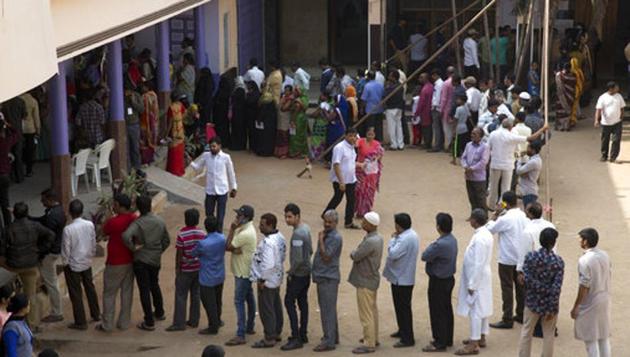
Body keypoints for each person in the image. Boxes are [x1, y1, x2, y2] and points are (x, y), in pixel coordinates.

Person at [122, 195, 170, 331]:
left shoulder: (138, 223)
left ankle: (149, 321)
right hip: (155, 259)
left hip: (141, 259)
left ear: (138, 207)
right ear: (149, 206)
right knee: (154, 284)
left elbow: (125, 236)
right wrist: (159, 251)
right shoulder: (160, 221)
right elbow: (167, 240)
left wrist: (133, 248)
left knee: (144, 289)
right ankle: (159, 312)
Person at [4, 202, 54, 330]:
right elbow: (50, 235)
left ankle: (12, 320)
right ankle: (32, 325)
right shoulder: (35, 226)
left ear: (14, 214)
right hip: (31, 264)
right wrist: (41, 250)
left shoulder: (9, 229)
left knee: (13, 293)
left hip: (13, 266)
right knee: (31, 295)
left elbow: (2, 247)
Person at [518, 228, 564, 357]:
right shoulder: (558, 262)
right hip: (549, 303)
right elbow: (556, 288)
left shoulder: (530, 257)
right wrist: (552, 308)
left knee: (526, 331)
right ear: (553, 243)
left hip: (532, 301)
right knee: (548, 334)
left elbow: (525, 279)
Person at [487, 191, 529, 329]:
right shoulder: (523, 216)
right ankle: (521, 314)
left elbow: (489, 230)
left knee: (507, 288)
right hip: (521, 258)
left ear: (505, 203)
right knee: (520, 287)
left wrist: (495, 214)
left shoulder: (505, 218)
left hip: (506, 258)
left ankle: (507, 318)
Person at [454, 209, 493, 356]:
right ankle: (481, 336)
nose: (470, 221)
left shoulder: (480, 238)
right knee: (481, 308)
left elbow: (478, 262)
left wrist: (472, 284)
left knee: (475, 310)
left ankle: (474, 343)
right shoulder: (483, 234)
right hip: (480, 277)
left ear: (475, 220)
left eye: (471, 219)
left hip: (478, 278)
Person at [487, 119, 548, 210]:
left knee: (493, 187)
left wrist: (487, 162)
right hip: (508, 166)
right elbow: (530, 138)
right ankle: (502, 207)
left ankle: (491, 206)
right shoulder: (512, 136)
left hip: (495, 164)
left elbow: (488, 149)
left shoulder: (493, 134)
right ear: (510, 127)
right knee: (506, 189)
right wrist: (543, 129)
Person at [97, 194, 136, 332]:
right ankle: (124, 323)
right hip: (129, 260)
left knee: (109, 294)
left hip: (114, 261)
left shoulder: (113, 222)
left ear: (119, 205)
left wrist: (108, 216)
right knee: (127, 292)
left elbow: (102, 231)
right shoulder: (133, 219)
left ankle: (107, 324)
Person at [571, 228, 613, 357]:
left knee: (591, 339)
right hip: (604, 298)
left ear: (585, 241)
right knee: (603, 337)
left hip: (590, 302)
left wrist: (576, 306)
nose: (579, 241)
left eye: (580, 239)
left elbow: (584, 285)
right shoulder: (605, 255)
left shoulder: (585, 260)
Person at [421, 213, 458, 352]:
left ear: (438, 227)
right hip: (448, 278)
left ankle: (439, 341)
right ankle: (447, 338)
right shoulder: (452, 239)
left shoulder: (440, 243)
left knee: (437, 311)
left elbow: (425, 256)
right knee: (446, 309)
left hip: (438, 281)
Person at [61, 199, 100, 330]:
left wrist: (65, 263)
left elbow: (66, 249)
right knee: (90, 288)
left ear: (70, 213)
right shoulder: (89, 224)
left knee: (76, 293)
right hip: (86, 261)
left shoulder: (68, 229)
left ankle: (80, 321)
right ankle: (96, 314)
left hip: (73, 264)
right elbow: (93, 241)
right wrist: (91, 255)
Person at [349, 212, 384, 354]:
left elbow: (356, 256)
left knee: (366, 314)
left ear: (371, 224)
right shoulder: (378, 237)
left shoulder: (370, 241)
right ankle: (372, 337)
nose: (362, 223)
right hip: (372, 278)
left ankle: (369, 343)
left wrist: (352, 252)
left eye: (364, 222)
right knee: (372, 310)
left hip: (365, 279)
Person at [250, 213, 286, 348]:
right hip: (276, 277)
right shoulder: (279, 237)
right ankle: (276, 332)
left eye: (262, 225)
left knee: (266, 309)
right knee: (275, 306)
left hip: (268, 280)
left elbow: (268, 264)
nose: (260, 227)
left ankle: (269, 337)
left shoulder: (268, 243)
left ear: (270, 225)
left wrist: (262, 279)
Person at [383, 213, 419, 348]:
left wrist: (393, 239)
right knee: (401, 307)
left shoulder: (403, 239)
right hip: (404, 277)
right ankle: (402, 330)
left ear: (398, 225)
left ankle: (407, 338)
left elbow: (392, 254)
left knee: (403, 308)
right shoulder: (413, 235)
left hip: (401, 279)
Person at [166, 209, 205, 331]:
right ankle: (194, 320)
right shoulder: (202, 233)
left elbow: (179, 253)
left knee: (181, 295)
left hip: (185, 269)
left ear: (186, 220)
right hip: (198, 268)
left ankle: (179, 323)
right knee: (196, 294)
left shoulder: (182, 234)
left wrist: (178, 268)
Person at [224, 205, 257, 346]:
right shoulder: (245, 229)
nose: (237, 218)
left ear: (246, 218)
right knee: (249, 298)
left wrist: (231, 229)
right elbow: (233, 248)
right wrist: (234, 248)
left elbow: (227, 246)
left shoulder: (244, 233)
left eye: (239, 216)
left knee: (239, 301)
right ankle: (249, 326)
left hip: (242, 271)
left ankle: (241, 333)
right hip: (244, 270)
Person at [281, 204, 312, 351]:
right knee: (302, 302)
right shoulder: (305, 228)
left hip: (298, 274)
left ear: (297, 216)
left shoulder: (298, 234)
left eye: (290, 217)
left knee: (289, 302)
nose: (287, 220)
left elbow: (298, 259)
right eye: (286, 216)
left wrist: (291, 272)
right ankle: (303, 333)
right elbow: (310, 250)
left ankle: (296, 336)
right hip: (306, 272)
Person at [190, 137, 237, 233]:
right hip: (210, 190)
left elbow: (231, 173)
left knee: (220, 217)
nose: (212, 148)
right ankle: (211, 233)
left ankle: (219, 234)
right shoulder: (206, 156)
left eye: (214, 146)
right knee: (209, 214)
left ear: (219, 146)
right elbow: (198, 167)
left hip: (222, 190)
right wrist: (190, 162)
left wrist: (234, 188)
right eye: (211, 146)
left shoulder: (226, 157)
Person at [312, 210, 343, 352]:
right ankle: (333, 336)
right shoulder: (328, 235)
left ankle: (328, 341)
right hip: (324, 276)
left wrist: (320, 240)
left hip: (328, 278)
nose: (326, 224)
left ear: (336, 223)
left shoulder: (334, 237)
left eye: (330, 222)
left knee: (326, 310)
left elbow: (326, 257)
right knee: (329, 309)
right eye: (325, 221)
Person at [33, 189, 65, 324]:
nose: (41, 202)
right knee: (50, 280)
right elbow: (42, 220)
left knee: (51, 282)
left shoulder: (52, 216)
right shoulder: (57, 211)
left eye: (44, 200)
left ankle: (57, 312)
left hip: (50, 252)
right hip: (54, 250)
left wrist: (41, 252)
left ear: (50, 200)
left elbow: (48, 237)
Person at [323, 128, 361, 229]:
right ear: (345, 136)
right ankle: (326, 213)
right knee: (337, 198)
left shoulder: (353, 147)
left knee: (351, 200)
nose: (353, 138)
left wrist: (360, 165)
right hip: (340, 180)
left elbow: (350, 162)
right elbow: (336, 164)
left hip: (351, 179)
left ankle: (348, 222)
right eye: (350, 136)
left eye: (354, 136)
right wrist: (341, 181)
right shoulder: (339, 148)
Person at [354, 127, 384, 218]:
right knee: (359, 190)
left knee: (369, 191)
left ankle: (365, 210)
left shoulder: (377, 144)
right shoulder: (361, 141)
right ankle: (357, 208)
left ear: (374, 135)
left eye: (372, 135)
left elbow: (380, 155)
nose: (370, 136)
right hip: (360, 170)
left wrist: (376, 158)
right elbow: (354, 145)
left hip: (372, 172)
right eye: (368, 134)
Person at [595, 81, 625, 163]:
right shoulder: (602, 97)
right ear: (611, 89)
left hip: (617, 122)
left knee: (616, 140)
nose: (618, 88)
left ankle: (613, 157)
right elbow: (598, 110)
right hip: (606, 123)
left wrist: (622, 115)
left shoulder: (619, 96)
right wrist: (596, 120)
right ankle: (604, 156)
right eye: (616, 87)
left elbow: (622, 107)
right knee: (605, 140)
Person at [461, 128, 490, 211]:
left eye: (474, 134)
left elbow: (484, 162)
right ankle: (474, 215)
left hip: (479, 177)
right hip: (469, 176)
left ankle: (484, 216)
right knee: (471, 197)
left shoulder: (485, 147)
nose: (472, 135)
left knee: (480, 198)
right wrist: (465, 166)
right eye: (472, 133)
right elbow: (463, 157)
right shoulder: (468, 145)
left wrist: (472, 169)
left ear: (480, 137)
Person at [0, 116, 18, 225]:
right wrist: (8, 124)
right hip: (4, 176)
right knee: (5, 203)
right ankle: (8, 226)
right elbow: (16, 134)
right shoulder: (5, 142)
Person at [124, 84, 145, 172]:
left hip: (134, 124)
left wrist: (133, 101)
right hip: (125, 125)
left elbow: (141, 109)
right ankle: (128, 169)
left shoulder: (136, 96)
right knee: (127, 149)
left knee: (135, 148)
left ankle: (137, 168)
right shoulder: (121, 97)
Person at [214, 68, 237, 148]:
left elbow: (216, 100)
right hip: (225, 113)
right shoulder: (228, 91)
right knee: (225, 128)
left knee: (221, 128)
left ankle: (221, 142)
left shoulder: (220, 92)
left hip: (220, 114)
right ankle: (225, 142)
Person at [19, 91, 40, 177]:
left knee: (20, 149)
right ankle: (29, 170)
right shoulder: (33, 101)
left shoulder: (18, 99)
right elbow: (36, 117)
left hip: (20, 128)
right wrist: (38, 129)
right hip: (30, 129)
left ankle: (19, 170)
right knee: (30, 150)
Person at [516, 142, 543, 207]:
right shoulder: (534, 159)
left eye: (528, 148)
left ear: (533, 150)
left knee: (529, 214)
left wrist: (519, 160)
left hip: (529, 192)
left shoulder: (534, 162)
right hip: (528, 191)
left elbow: (519, 171)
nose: (526, 150)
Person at [166, 94, 187, 176]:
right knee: (180, 150)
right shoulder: (180, 106)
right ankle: (180, 170)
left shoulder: (171, 108)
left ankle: (173, 170)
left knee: (173, 151)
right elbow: (184, 114)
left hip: (173, 131)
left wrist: (166, 133)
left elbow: (170, 122)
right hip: (180, 128)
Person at [361, 71, 385, 141]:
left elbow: (364, 99)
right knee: (379, 126)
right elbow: (383, 96)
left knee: (370, 126)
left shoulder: (367, 86)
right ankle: (379, 140)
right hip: (379, 108)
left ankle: (370, 141)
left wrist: (362, 108)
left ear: (368, 77)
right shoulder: (380, 85)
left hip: (370, 109)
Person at [384, 71, 405, 151]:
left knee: (392, 127)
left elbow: (386, 95)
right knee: (399, 126)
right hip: (399, 108)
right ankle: (400, 144)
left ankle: (394, 144)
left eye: (390, 76)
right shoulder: (401, 86)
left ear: (393, 77)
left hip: (391, 108)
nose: (389, 77)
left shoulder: (390, 87)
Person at [139, 81, 159, 163]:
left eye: (144, 86)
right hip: (153, 119)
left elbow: (142, 109)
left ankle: (146, 159)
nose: (142, 88)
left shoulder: (145, 96)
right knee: (152, 137)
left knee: (145, 139)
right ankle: (151, 157)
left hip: (146, 120)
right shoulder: (154, 95)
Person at [554, 62, 577, 131]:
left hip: (561, 96)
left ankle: (560, 126)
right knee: (567, 111)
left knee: (560, 111)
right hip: (570, 96)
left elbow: (558, 85)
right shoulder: (573, 75)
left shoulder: (559, 75)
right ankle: (566, 126)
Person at [288, 87, 309, 158]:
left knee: (297, 136)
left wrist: (292, 120)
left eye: (297, 91)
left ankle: (297, 153)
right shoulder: (298, 98)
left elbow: (299, 108)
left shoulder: (301, 99)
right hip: (299, 118)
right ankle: (297, 152)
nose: (295, 92)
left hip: (298, 119)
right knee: (295, 135)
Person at [415, 73, 434, 149]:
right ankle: (428, 143)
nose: (420, 79)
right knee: (429, 128)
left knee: (426, 128)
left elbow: (421, 102)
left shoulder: (425, 89)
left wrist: (417, 112)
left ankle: (427, 144)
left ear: (426, 78)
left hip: (425, 111)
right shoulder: (431, 87)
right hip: (430, 109)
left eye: (421, 77)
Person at [275, 85, 294, 159]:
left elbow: (284, 108)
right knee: (279, 135)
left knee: (284, 136)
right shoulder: (284, 97)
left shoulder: (290, 99)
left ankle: (284, 153)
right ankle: (278, 152)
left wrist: (282, 102)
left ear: (290, 91)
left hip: (286, 119)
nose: (286, 92)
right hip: (280, 119)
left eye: (287, 90)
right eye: (285, 90)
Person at [230, 77, 248, 151]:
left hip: (238, 113)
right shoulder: (243, 90)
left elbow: (235, 101)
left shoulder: (239, 90)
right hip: (241, 113)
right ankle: (241, 144)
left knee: (237, 129)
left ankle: (237, 145)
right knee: (241, 129)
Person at [430, 69, 445, 152]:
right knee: (439, 127)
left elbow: (437, 96)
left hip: (436, 107)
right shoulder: (440, 84)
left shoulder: (438, 84)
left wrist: (434, 106)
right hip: (438, 107)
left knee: (437, 128)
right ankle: (440, 144)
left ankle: (437, 145)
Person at [453, 94, 471, 160]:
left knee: (456, 143)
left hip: (459, 127)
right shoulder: (466, 108)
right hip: (465, 127)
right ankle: (464, 156)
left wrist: (454, 129)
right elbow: (469, 117)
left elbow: (456, 119)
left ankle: (454, 157)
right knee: (464, 143)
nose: (457, 100)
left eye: (459, 99)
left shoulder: (458, 109)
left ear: (462, 101)